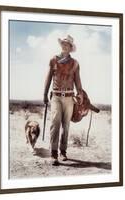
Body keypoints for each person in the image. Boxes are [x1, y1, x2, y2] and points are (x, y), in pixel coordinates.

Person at [44, 35, 83, 166]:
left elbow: (77, 80)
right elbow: (48, 78)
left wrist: (81, 94)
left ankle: (63, 151)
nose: (65, 45)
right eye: (64, 43)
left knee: (66, 125)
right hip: (55, 96)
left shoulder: (75, 63)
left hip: (69, 97)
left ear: (71, 48)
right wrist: (44, 94)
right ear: (61, 45)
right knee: (55, 123)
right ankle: (53, 153)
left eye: (68, 44)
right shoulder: (53, 60)